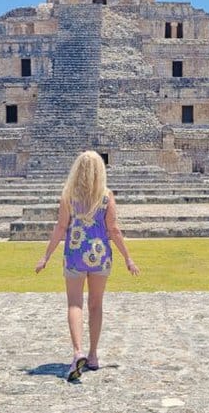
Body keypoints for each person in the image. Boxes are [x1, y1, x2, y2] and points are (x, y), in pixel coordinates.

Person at [35, 151, 140, 381]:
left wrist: (46, 256)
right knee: (96, 304)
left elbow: (61, 228)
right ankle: (93, 355)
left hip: (75, 254)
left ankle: (77, 352)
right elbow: (113, 230)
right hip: (100, 255)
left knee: (75, 303)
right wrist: (127, 257)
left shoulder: (68, 195)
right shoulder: (106, 196)